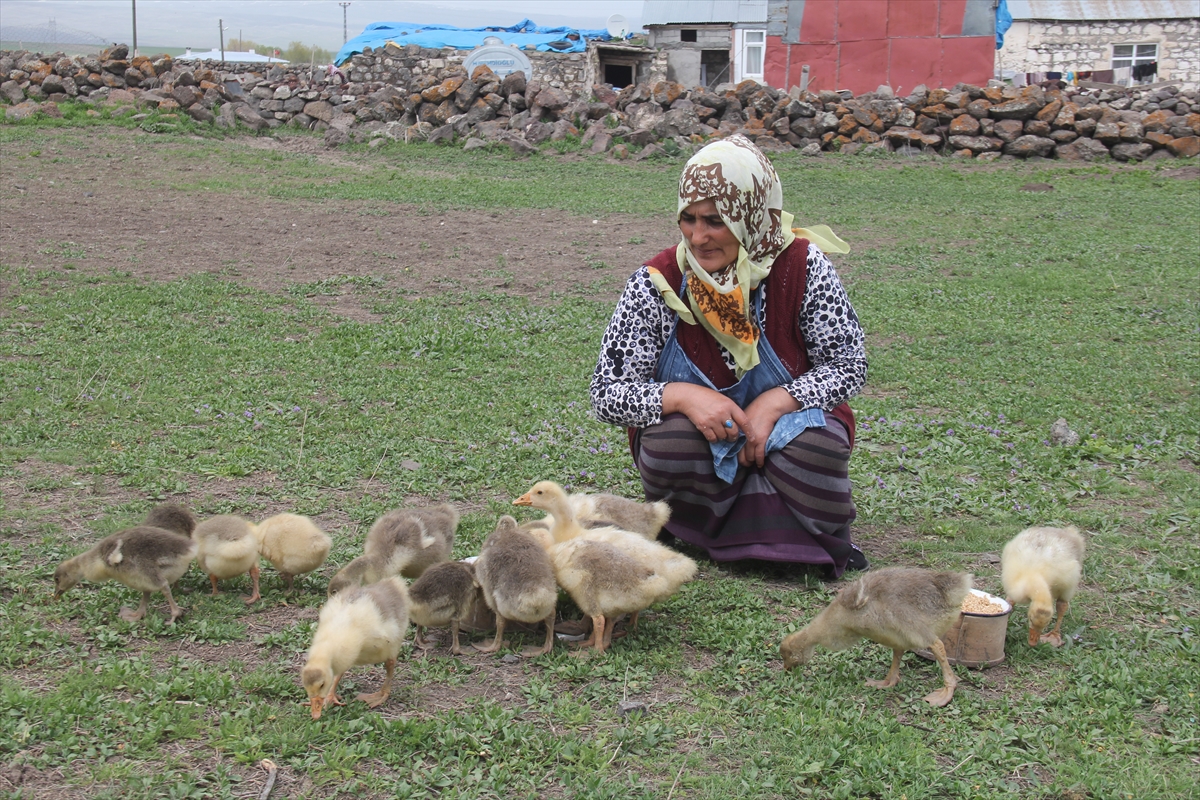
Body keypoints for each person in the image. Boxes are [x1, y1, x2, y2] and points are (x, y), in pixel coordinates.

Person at [590, 135, 868, 576]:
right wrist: (683, 397)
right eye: (688, 219)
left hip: (788, 425)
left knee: (815, 449)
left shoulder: (802, 267)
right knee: (668, 447)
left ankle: (718, 532)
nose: (698, 237)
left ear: (751, 216)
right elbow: (606, 392)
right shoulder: (657, 283)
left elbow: (849, 364)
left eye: (715, 221)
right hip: (701, 437)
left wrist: (776, 404)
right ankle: (739, 530)